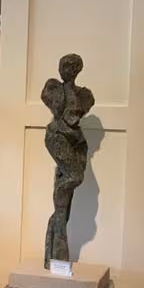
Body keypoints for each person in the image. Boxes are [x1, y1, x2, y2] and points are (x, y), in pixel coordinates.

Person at [41, 54, 94, 267]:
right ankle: (56, 221)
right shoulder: (53, 88)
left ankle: (56, 253)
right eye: (64, 65)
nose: (67, 69)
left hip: (76, 142)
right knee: (74, 176)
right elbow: (57, 109)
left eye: (72, 66)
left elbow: (77, 113)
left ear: (78, 69)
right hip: (57, 137)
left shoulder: (85, 95)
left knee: (66, 188)